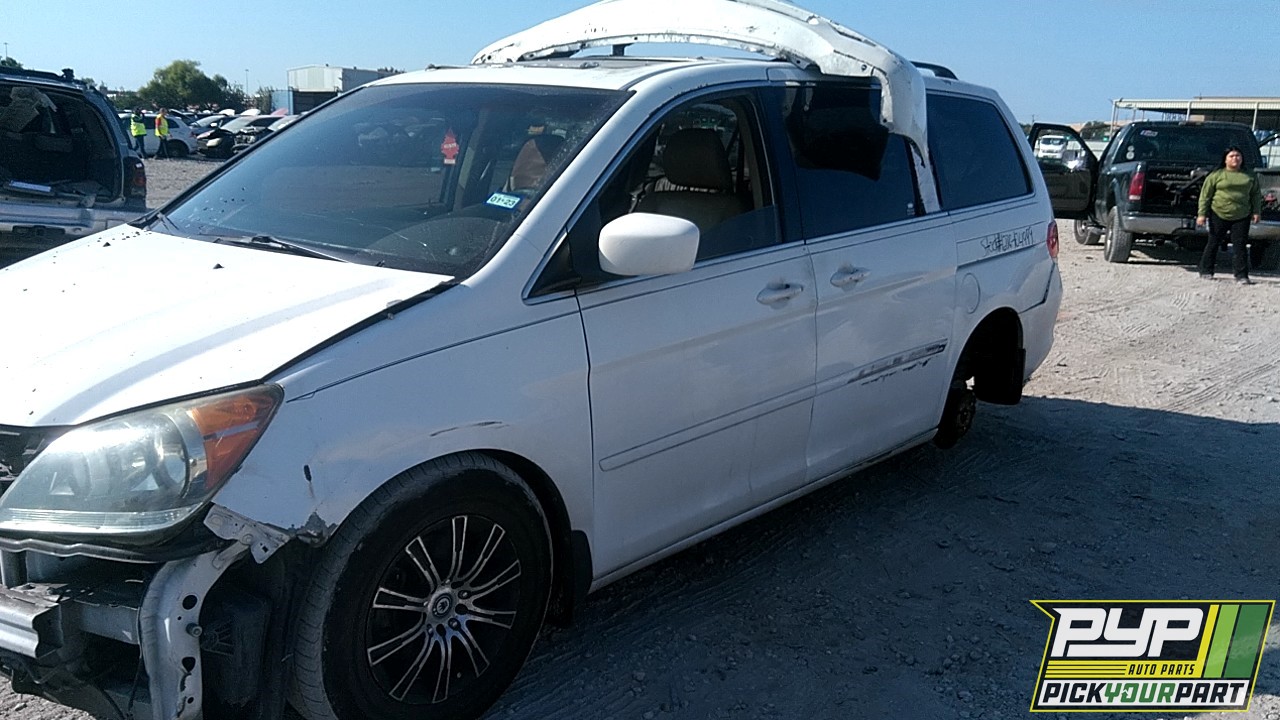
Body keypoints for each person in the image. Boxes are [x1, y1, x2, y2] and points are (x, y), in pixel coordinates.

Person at [1196, 145, 1262, 284]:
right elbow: (1205, 196)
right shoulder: (1216, 175)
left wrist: (1256, 211)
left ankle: (1241, 275)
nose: (1235, 159)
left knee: (1240, 245)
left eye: (1238, 156)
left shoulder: (1249, 175)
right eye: (1231, 156)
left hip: (1242, 215)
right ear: (1225, 160)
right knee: (1213, 242)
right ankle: (1206, 271)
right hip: (1218, 213)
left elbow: (1255, 195)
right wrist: (1202, 214)